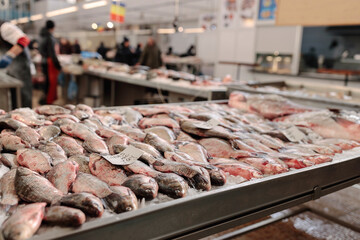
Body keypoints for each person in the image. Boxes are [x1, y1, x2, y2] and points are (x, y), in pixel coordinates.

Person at [0, 19, 32, 108]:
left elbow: (24, 40)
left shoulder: (5, 27)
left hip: (21, 67)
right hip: (11, 69)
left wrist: (9, 56)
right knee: (14, 97)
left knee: (23, 96)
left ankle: (27, 119)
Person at [39, 20, 61, 104]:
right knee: (50, 83)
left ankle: (45, 99)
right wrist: (58, 65)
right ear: (53, 28)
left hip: (44, 61)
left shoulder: (41, 36)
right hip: (49, 62)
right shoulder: (49, 38)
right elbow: (52, 53)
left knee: (46, 82)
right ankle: (48, 101)